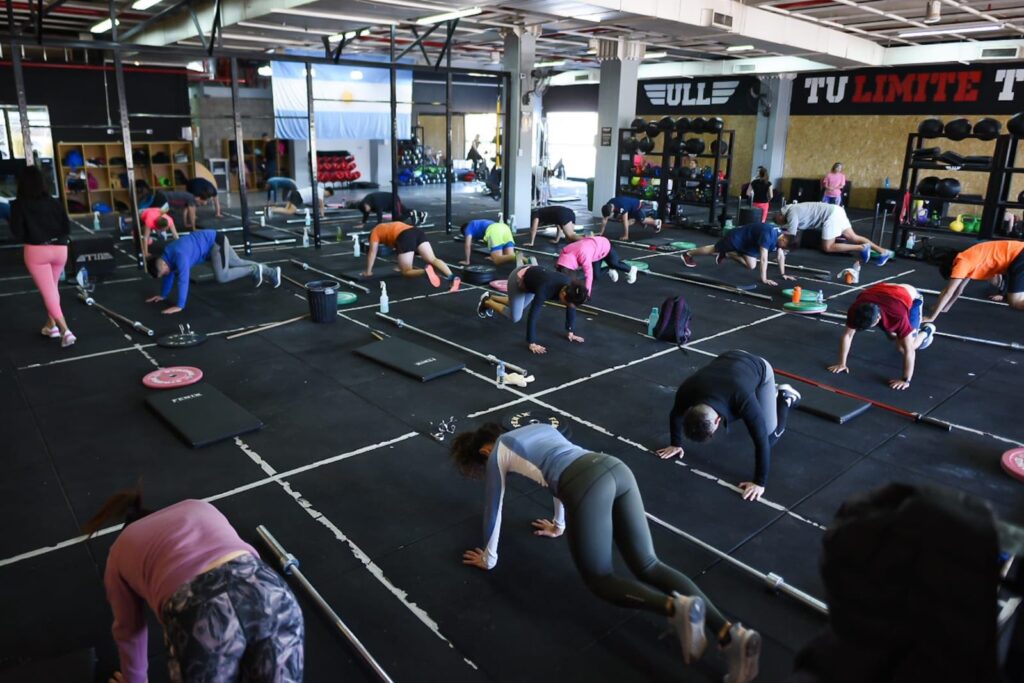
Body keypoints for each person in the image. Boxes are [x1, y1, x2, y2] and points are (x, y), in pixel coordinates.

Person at [451, 423, 761, 683]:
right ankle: (731, 634)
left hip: (584, 483)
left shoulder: (499, 451)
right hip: (614, 468)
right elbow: (555, 471)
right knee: (648, 563)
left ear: (484, 451)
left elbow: (494, 508)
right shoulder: (538, 428)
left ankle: (674, 608)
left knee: (599, 577)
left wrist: (489, 558)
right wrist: (559, 524)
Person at [83, 488, 304, 683]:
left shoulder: (119, 549)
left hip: (200, 608)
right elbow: (244, 561)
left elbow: (129, 631)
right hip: (270, 590)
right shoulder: (198, 506)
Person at [656, 350, 801, 502]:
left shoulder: (741, 398)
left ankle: (785, 397)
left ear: (717, 421)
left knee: (771, 438)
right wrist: (675, 444)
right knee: (743, 409)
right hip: (730, 358)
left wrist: (759, 483)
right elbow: (676, 414)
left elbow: (761, 440)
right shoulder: (687, 390)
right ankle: (765, 394)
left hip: (760, 369)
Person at [8, 166, 76, 347]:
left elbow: (17, 233)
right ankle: (51, 326)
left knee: (49, 292)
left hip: (37, 251)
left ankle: (65, 330)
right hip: (60, 249)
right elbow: (67, 227)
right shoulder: (54, 202)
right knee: (52, 289)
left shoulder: (19, 204)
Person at [828, 283, 937, 391]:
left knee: (902, 347)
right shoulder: (856, 309)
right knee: (892, 337)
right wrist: (841, 363)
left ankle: (927, 331)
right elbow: (847, 335)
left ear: (878, 318)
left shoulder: (898, 315)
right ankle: (895, 333)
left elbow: (909, 351)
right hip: (888, 293)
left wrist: (905, 380)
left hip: (913, 299)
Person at [146, 230, 281, 314]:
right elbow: (169, 275)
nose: (165, 275)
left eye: (163, 273)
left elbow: (183, 279)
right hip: (211, 242)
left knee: (222, 276)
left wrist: (179, 306)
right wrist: (163, 295)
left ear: (163, 264)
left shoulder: (179, 255)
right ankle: (272, 272)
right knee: (237, 263)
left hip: (215, 243)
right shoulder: (166, 258)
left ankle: (254, 269)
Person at [476, 264, 586, 354]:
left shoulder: (571, 288)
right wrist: (531, 342)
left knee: (516, 304)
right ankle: (486, 301)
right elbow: (533, 315)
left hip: (533, 281)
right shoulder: (545, 289)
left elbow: (571, 306)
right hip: (519, 279)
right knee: (515, 316)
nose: (566, 304)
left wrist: (570, 331)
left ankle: (491, 296)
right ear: (563, 294)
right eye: (566, 302)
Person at [925, 240, 1024, 321]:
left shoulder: (962, 264)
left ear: (952, 269)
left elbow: (948, 292)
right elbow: (959, 290)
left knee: (1015, 301)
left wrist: (931, 317)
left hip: (1019, 255)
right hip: (1018, 253)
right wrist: (945, 308)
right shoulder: (968, 258)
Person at [680, 222, 798, 287]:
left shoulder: (781, 238)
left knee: (751, 266)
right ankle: (688, 254)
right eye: (784, 247)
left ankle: (728, 254)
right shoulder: (769, 235)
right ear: (784, 239)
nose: (783, 249)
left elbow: (780, 256)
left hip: (749, 244)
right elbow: (763, 258)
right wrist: (764, 279)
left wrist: (783, 274)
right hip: (736, 238)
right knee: (713, 249)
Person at [774, 202, 892, 264]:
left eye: (779, 222)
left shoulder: (791, 213)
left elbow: (791, 236)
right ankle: (883, 252)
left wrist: (782, 251)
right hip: (836, 210)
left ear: (780, 215)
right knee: (854, 237)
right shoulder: (793, 209)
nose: (781, 224)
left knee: (828, 247)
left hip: (830, 215)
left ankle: (861, 248)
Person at [363, 221, 460, 291]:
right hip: (416, 232)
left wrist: (368, 272)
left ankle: (425, 272)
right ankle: (452, 277)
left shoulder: (374, 233)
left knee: (406, 271)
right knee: (432, 259)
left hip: (404, 236)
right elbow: (400, 250)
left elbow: (372, 252)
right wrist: (399, 266)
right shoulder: (385, 227)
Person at [555, 235, 637, 296]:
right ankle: (609, 269)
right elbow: (561, 268)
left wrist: (587, 294)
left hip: (604, 245)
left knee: (614, 264)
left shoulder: (584, 257)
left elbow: (588, 276)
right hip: (595, 253)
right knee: (596, 276)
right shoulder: (565, 252)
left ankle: (631, 269)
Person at [349, 191, 426, 229]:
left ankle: (411, 214)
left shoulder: (375, 202)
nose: (367, 210)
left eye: (366, 208)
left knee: (397, 218)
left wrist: (378, 225)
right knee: (404, 211)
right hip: (388, 203)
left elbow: (379, 213)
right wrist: (363, 223)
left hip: (393, 199)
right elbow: (366, 213)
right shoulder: (363, 205)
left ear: (366, 204)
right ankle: (422, 214)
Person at [596, 196, 662, 241]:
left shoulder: (621, 206)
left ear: (611, 210)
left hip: (637, 206)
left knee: (642, 220)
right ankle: (637, 220)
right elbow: (605, 219)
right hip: (629, 208)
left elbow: (625, 221)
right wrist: (601, 232)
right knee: (622, 220)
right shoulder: (609, 204)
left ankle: (656, 222)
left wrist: (626, 235)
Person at [265, 184, 334, 219]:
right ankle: (271, 209)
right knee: (290, 211)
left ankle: (271, 209)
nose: (327, 196)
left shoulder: (318, 189)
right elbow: (321, 205)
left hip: (296, 193)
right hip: (298, 196)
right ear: (328, 192)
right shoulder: (321, 192)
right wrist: (322, 216)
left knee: (286, 209)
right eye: (328, 195)